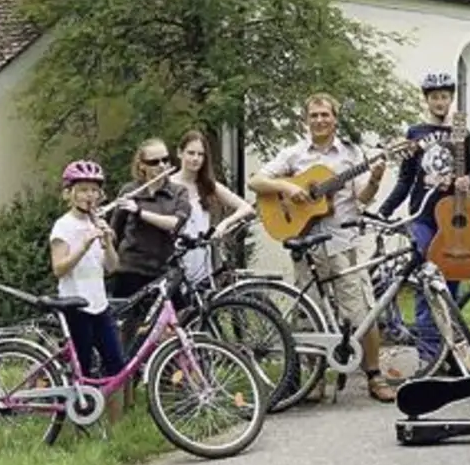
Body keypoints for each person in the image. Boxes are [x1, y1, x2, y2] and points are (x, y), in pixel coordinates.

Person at [249, 93, 395, 402]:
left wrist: (376, 179)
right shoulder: (294, 154)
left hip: (342, 242)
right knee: (308, 312)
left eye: (325, 115)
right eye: (314, 115)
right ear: (306, 120)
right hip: (305, 242)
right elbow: (256, 181)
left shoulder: (352, 154)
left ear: (334, 119)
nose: (319, 120)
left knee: (361, 311)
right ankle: (315, 379)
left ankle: (374, 375)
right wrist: (288, 187)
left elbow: (364, 198)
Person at [377, 70, 470, 368]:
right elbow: (406, 179)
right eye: (434, 97)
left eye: (445, 96)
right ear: (426, 100)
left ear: (451, 99)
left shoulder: (462, 133)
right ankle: (427, 354)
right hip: (423, 216)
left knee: (450, 284)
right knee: (428, 279)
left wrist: (468, 180)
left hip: (454, 218)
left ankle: (449, 351)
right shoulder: (415, 134)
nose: (440, 101)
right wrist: (383, 211)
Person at [48, 159, 127, 423]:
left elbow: (112, 267)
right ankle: (75, 425)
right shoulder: (64, 226)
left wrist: (106, 241)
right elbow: (59, 268)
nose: (89, 195)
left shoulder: (98, 223)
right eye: (82, 189)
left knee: (117, 365)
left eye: (94, 190)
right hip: (75, 305)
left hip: (99, 303)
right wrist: (82, 245)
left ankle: (117, 428)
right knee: (80, 369)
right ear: (69, 193)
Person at [107, 138, 192, 300]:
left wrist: (139, 212)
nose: (162, 165)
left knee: (178, 319)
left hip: (164, 270)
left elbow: (175, 224)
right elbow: (115, 231)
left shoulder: (179, 192)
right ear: (142, 165)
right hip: (131, 270)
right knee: (131, 323)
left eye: (165, 160)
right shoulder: (130, 190)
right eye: (154, 162)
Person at [171, 129, 255, 288]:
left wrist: (224, 224)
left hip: (201, 258)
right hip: (175, 257)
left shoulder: (208, 185)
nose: (195, 159)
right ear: (180, 153)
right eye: (191, 153)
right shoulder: (169, 185)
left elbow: (246, 208)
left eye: (200, 154)